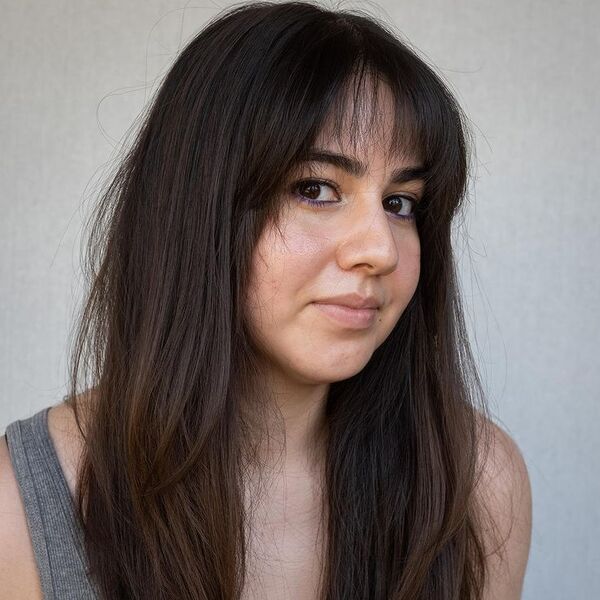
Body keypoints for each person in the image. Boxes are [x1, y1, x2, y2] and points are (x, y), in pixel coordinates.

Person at [0, 1, 532, 598]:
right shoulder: (22, 507)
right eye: (316, 189)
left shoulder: (479, 488)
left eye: (400, 201)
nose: (380, 250)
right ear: (200, 206)